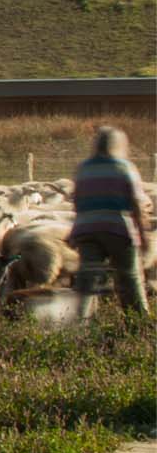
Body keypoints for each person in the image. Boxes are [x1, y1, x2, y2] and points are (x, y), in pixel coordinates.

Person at [68, 125, 152, 319]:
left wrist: (75, 232)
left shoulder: (83, 168)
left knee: (88, 278)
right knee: (130, 277)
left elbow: (77, 202)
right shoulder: (124, 167)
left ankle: (80, 323)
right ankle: (139, 322)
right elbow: (137, 204)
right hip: (118, 229)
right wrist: (144, 235)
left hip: (87, 230)